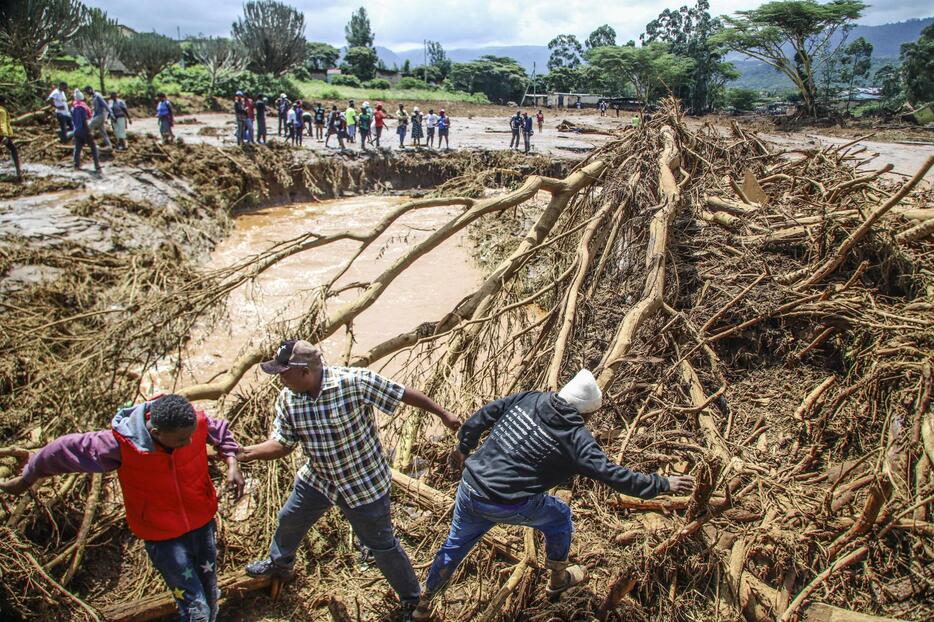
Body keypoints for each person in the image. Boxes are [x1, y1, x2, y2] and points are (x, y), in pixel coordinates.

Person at [412, 370, 695, 620]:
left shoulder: (530, 398)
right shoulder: (577, 440)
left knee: (455, 545)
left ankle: (424, 602)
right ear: (588, 414)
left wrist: (463, 447)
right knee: (559, 516)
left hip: (470, 486)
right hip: (505, 503)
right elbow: (616, 476)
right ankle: (558, 578)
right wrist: (662, 484)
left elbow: (483, 416)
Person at [238, 340, 461, 621]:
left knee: (382, 546)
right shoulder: (288, 398)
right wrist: (248, 452)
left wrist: (443, 414)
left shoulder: (354, 382)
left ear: (305, 371)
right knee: (289, 518)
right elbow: (283, 443)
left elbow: (402, 393)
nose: (279, 378)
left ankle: (412, 600)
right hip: (319, 478)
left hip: (363, 484)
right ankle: (279, 565)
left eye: (284, 372)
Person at [0, 394, 245, 622]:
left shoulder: (191, 421)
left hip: (202, 523)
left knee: (210, 593)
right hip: (162, 536)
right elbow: (62, 450)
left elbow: (217, 429)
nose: (191, 441)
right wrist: (25, 480)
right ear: (157, 433)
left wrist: (232, 462)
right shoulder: (121, 445)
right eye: (182, 439)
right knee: (196, 608)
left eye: (192, 435)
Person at [70, 90, 100, 173]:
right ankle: (97, 165)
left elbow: (73, 121)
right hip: (84, 130)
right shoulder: (82, 108)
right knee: (93, 147)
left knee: (78, 147)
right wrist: (88, 131)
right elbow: (84, 121)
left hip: (76, 130)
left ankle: (76, 165)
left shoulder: (73, 108)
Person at [0, 95, 23, 182]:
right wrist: (5, 135)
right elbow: (2, 123)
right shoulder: (2, 110)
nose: (5, 103)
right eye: (4, 102)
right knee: (13, 150)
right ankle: (18, 172)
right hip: (1, 135)